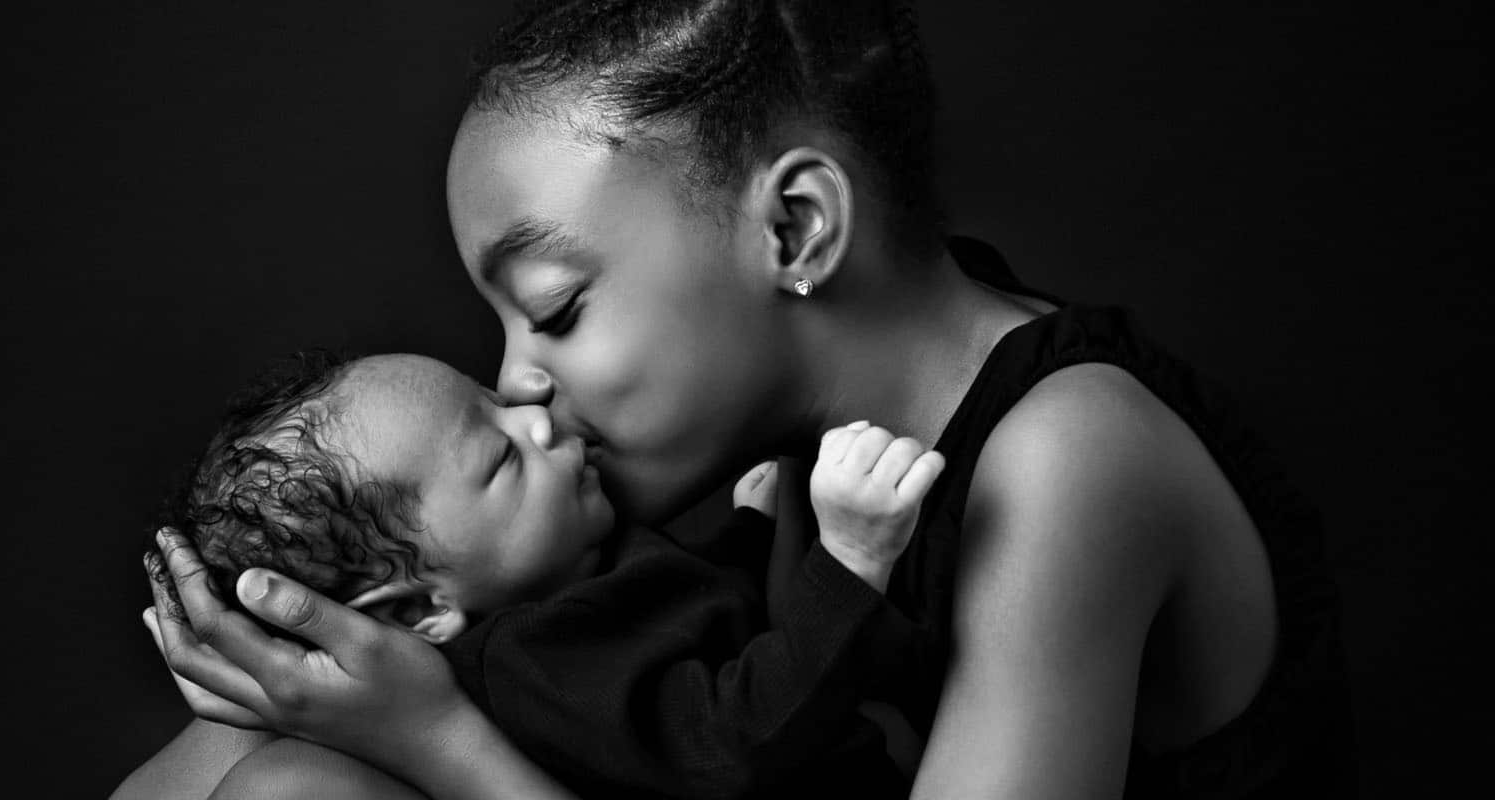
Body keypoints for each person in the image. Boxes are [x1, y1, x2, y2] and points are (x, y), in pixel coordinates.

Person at [122, 0, 1356, 797]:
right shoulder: (760, 442)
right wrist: (293, 659)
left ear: (797, 228)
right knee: (279, 767)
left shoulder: (1070, 457)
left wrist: (440, 741)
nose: (515, 381)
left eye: (553, 308)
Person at [145, 349, 940, 798]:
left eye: (492, 399)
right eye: (498, 456)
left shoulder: (582, 577)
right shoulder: (543, 662)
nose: (533, 412)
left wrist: (748, 528)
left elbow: (701, 614)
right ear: (424, 609)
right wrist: (849, 563)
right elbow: (740, 735)